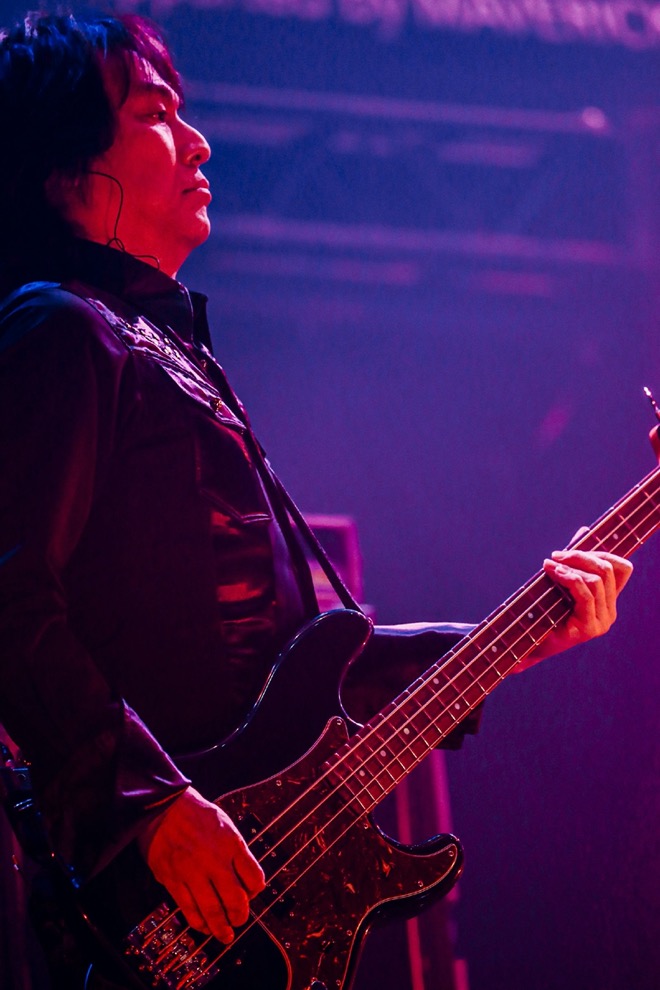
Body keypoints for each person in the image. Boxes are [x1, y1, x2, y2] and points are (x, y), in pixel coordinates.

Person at [0, 11, 632, 989]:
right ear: (62, 163)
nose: (199, 142)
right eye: (156, 113)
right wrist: (149, 804)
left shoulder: (168, 353)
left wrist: (512, 642)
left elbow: (301, 674)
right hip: (143, 893)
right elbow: (10, 595)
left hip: (238, 908)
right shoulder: (61, 329)